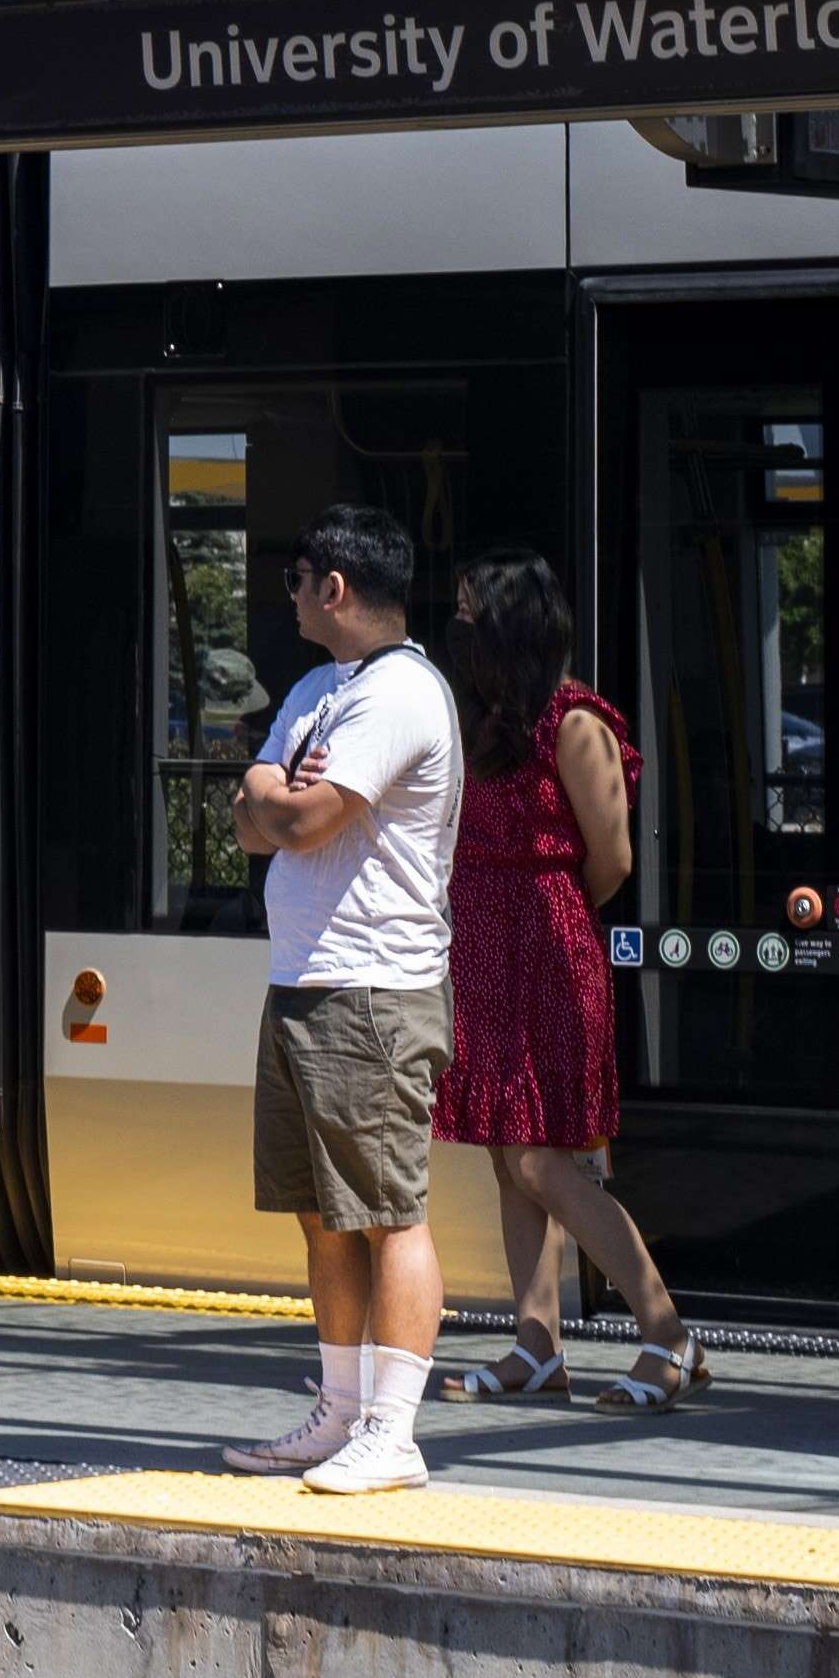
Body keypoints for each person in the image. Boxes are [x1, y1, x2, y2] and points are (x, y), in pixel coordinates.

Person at [224, 503, 469, 1494]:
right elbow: (255, 816)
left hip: (370, 987)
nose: (287, 596)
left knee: (386, 1211)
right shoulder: (325, 685)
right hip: (304, 981)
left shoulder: (400, 693)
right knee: (323, 1214)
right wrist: (265, 790)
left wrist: (271, 795)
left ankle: (393, 1430)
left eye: (294, 579)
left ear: (333, 586)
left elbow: (304, 814)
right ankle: (338, 1410)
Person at [430, 555, 704, 1414]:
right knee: (512, 1161)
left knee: (544, 1161)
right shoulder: (482, 721)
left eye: (473, 613)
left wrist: (533, 912)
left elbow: (612, 860)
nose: (458, 627)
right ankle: (536, 1344)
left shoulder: (575, 719)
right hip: (484, 955)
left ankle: (667, 1332)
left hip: (550, 955)